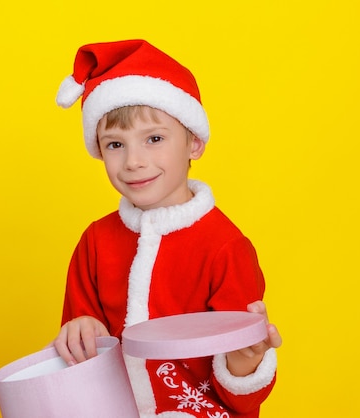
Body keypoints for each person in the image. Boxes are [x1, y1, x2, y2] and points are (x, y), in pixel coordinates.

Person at [53, 39, 282, 418]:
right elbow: (78, 360)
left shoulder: (225, 246)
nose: (133, 162)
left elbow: (243, 395)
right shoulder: (95, 242)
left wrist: (246, 361)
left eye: (154, 139)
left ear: (194, 142)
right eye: (114, 145)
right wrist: (80, 330)